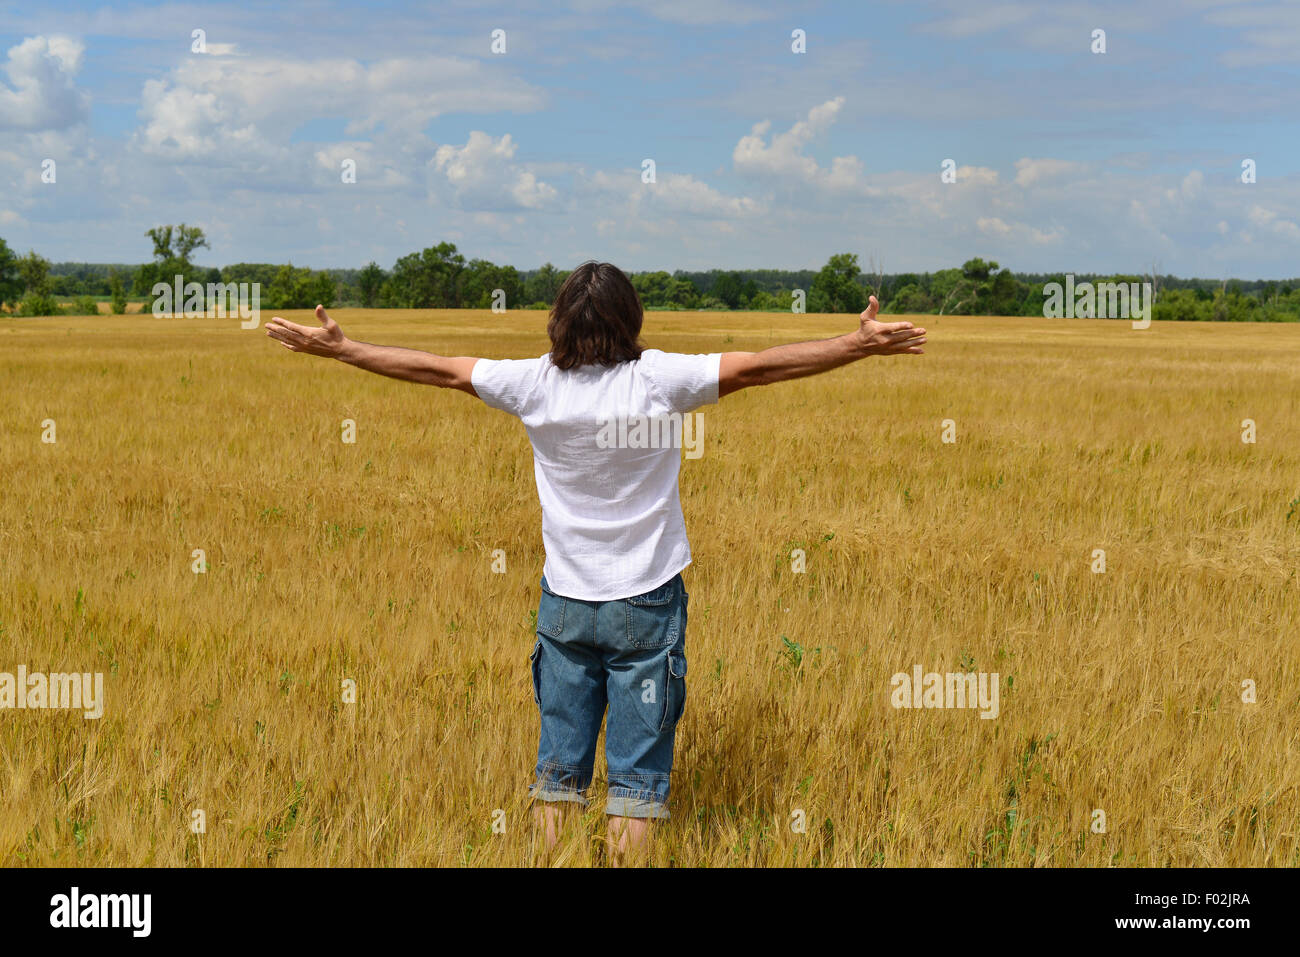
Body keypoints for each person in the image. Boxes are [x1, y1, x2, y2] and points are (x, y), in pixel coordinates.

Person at [265, 261, 925, 863]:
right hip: (645, 604)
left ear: (558, 321)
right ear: (629, 320)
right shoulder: (657, 380)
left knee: (558, 769)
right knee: (636, 780)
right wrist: (857, 345)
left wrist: (345, 350)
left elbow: (438, 369)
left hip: (565, 608)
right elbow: (758, 366)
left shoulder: (532, 384)